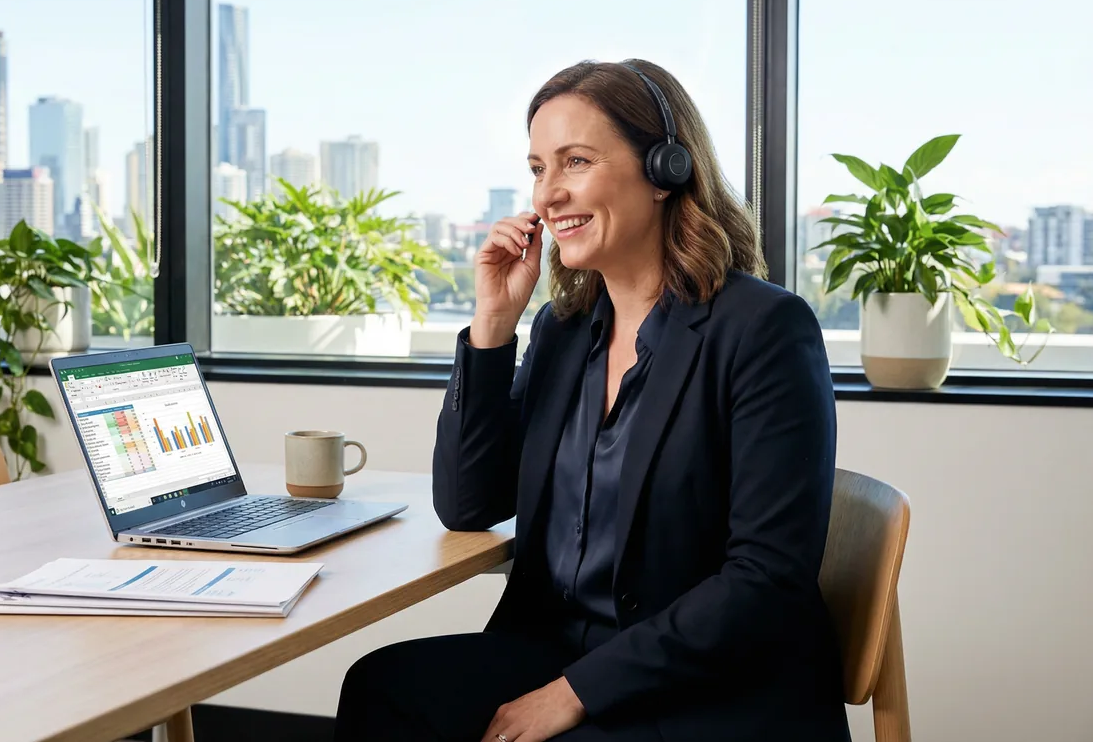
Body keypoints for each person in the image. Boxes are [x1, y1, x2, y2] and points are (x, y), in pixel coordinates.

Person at [333, 59, 850, 742]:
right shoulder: (564, 330)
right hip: (558, 647)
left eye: (574, 161)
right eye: (538, 168)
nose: (548, 194)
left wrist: (576, 692)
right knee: (382, 689)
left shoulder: (763, 330)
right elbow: (469, 503)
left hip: (707, 684)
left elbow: (765, 579)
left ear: (665, 169)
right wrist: (491, 330)